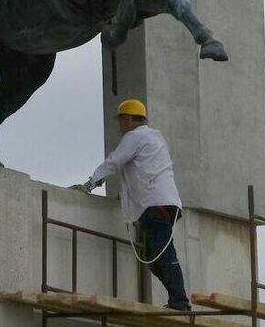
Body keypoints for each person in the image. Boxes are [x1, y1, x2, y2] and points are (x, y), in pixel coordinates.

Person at [73, 99, 190, 311]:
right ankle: (177, 300)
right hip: (159, 204)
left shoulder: (135, 137)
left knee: (163, 254)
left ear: (127, 120)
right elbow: (141, 172)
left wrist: (90, 183)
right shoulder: (153, 138)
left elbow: (115, 161)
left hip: (156, 205)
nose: (119, 125)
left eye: (121, 121)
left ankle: (180, 302)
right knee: (151, 258)